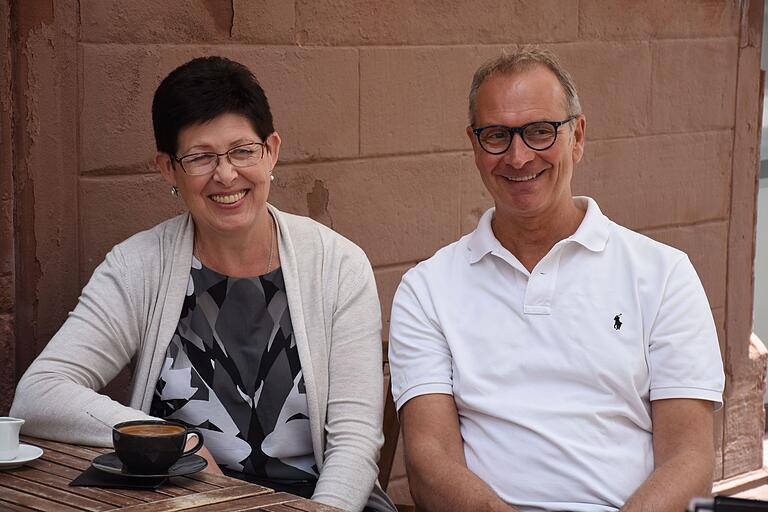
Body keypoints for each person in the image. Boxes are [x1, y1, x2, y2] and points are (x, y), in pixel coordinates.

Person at [11, 56, 394, 512]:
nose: (226, 175)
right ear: (168, 169)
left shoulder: (337, 265)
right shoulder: (140, 266)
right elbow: (39, 393)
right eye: (200, 157)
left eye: (242, 151)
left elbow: (354, 443)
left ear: (271, 151)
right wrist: (177, 439)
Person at [388, 46, 725, 512]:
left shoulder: (663, 274)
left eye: (540, 132)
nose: (519, 156)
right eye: (496, 136)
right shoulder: (427, 290)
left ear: (578, 136)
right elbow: (430, 460)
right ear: (474, 145)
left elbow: (688, 458)